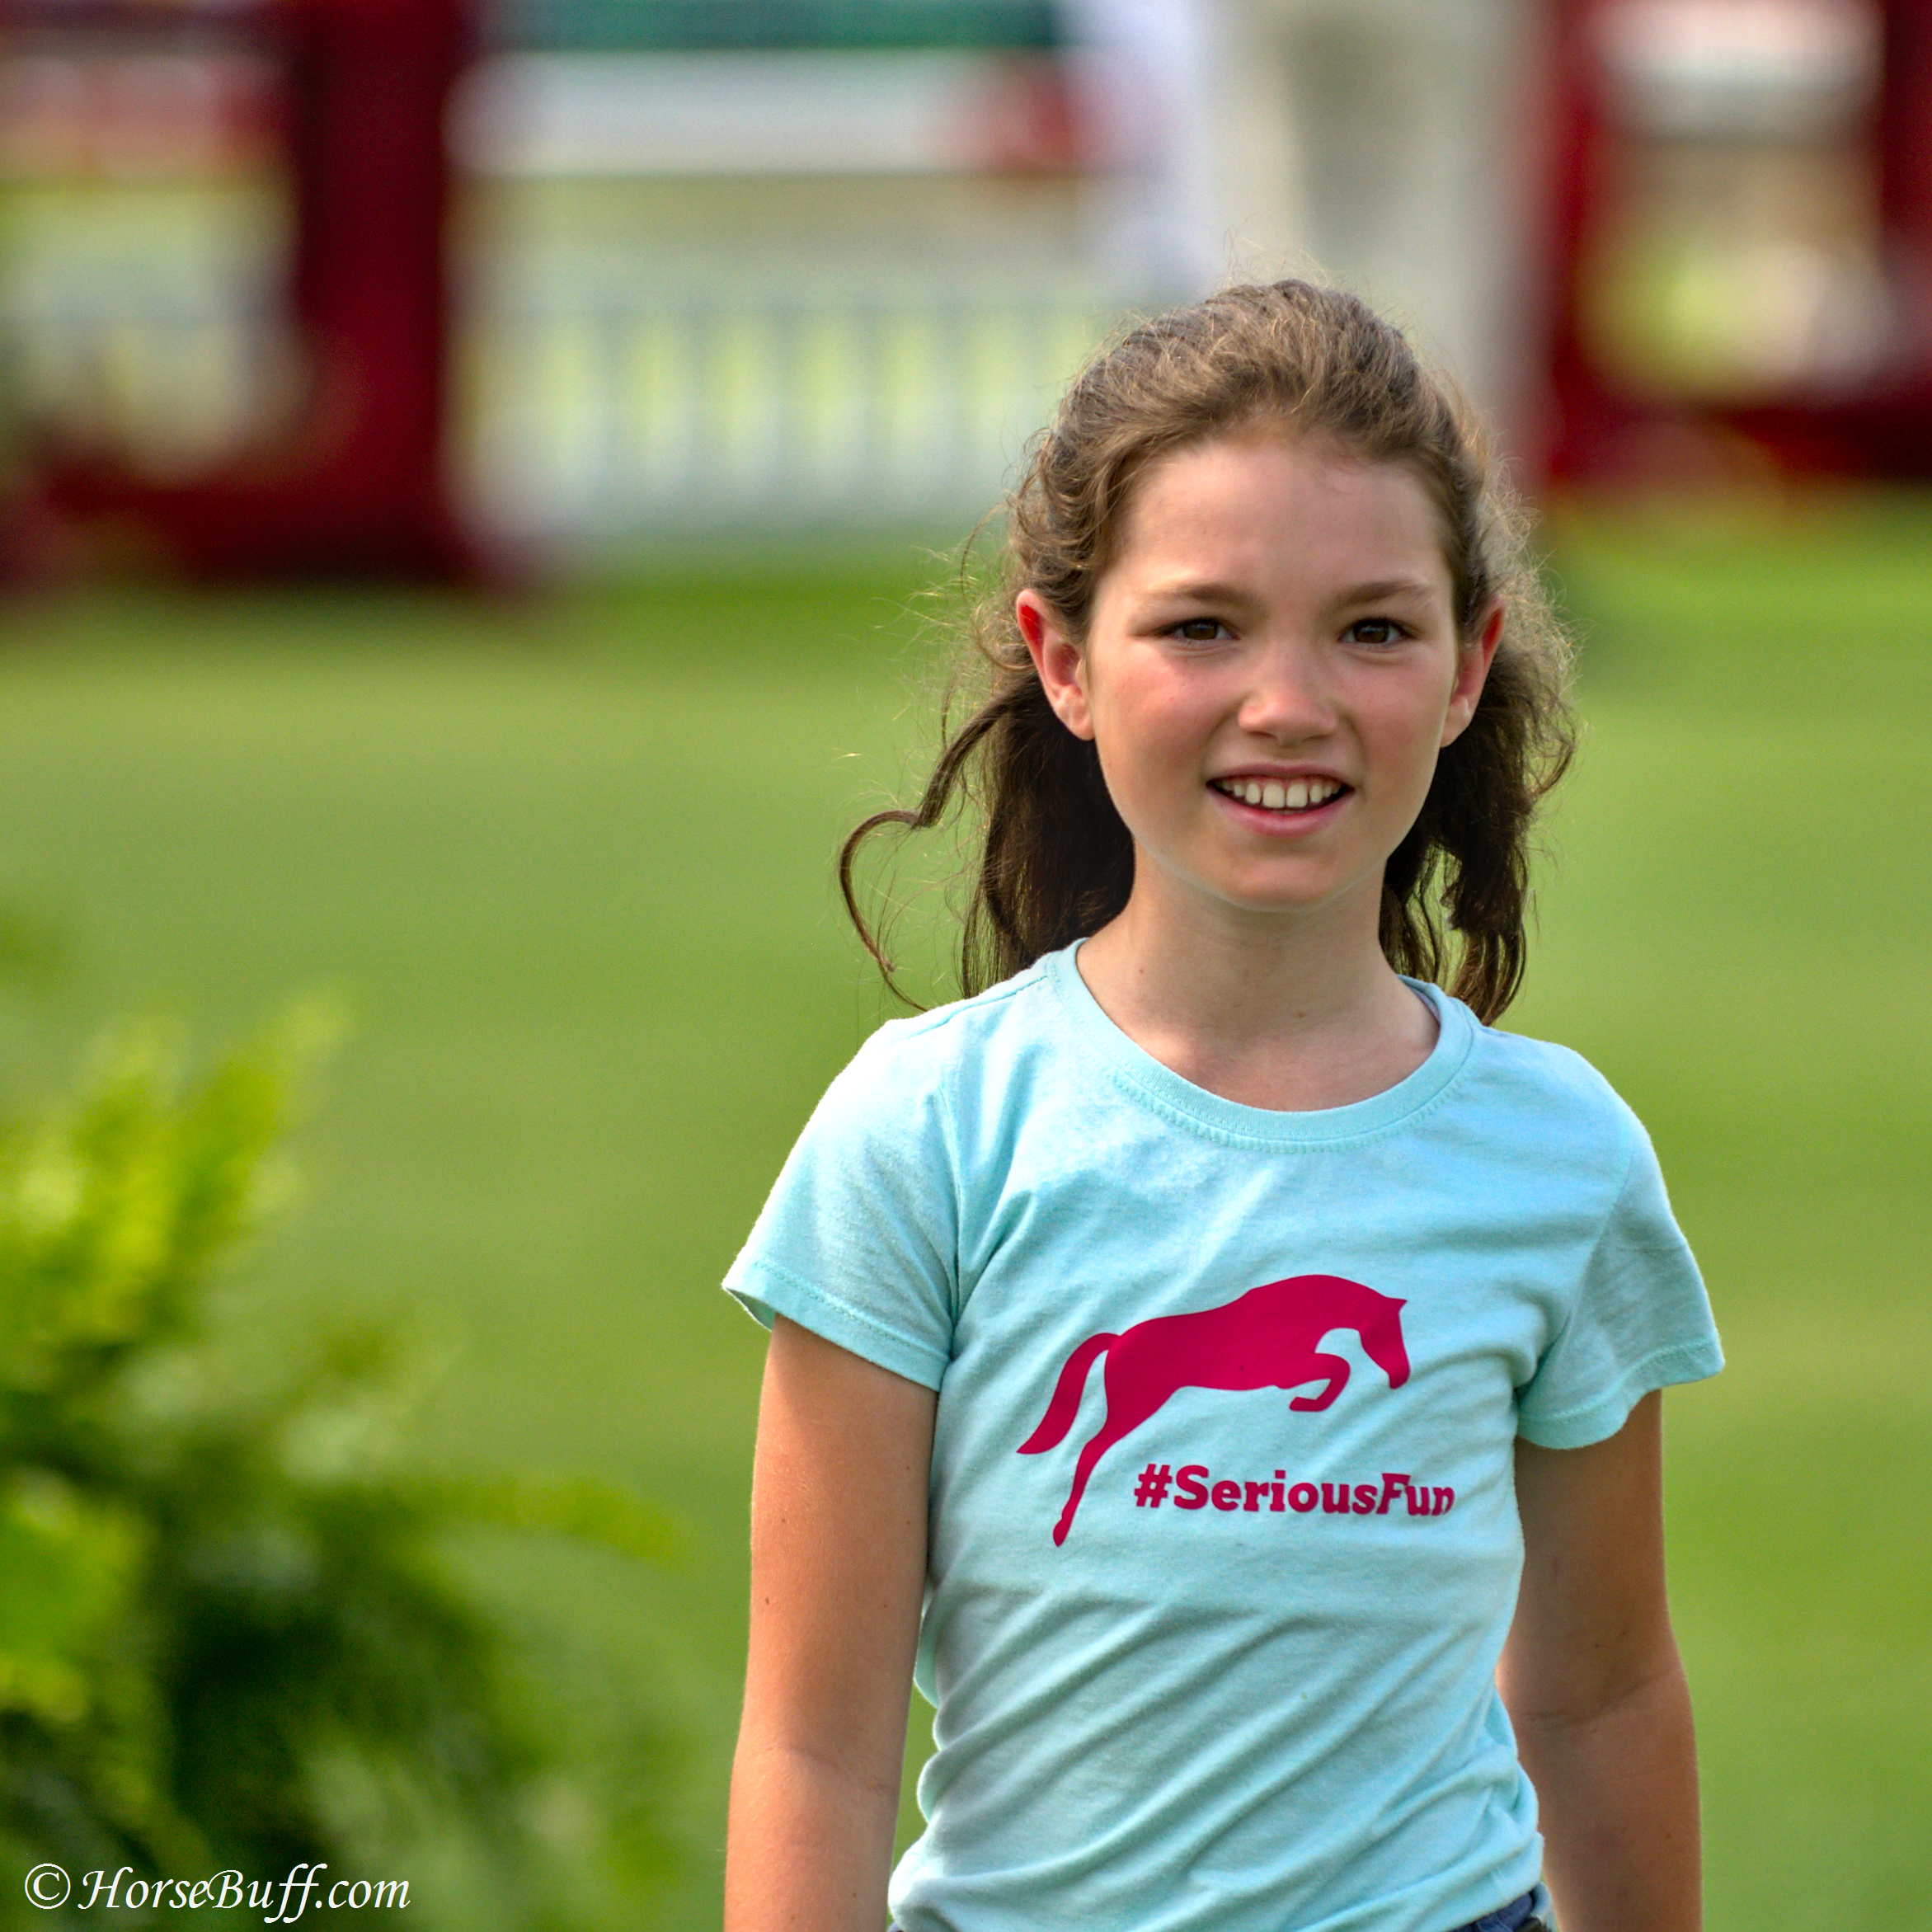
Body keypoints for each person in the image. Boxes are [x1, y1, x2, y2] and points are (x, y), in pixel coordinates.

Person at [721, 279, 1721, 1932]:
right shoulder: (927, 1128)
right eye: (1201, 624)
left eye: (1370, 626)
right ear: (1064, 659)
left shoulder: (1558, 1159)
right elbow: (811, 1743)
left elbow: (1601, 1699)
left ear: (1467, 666)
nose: (1287, 702)